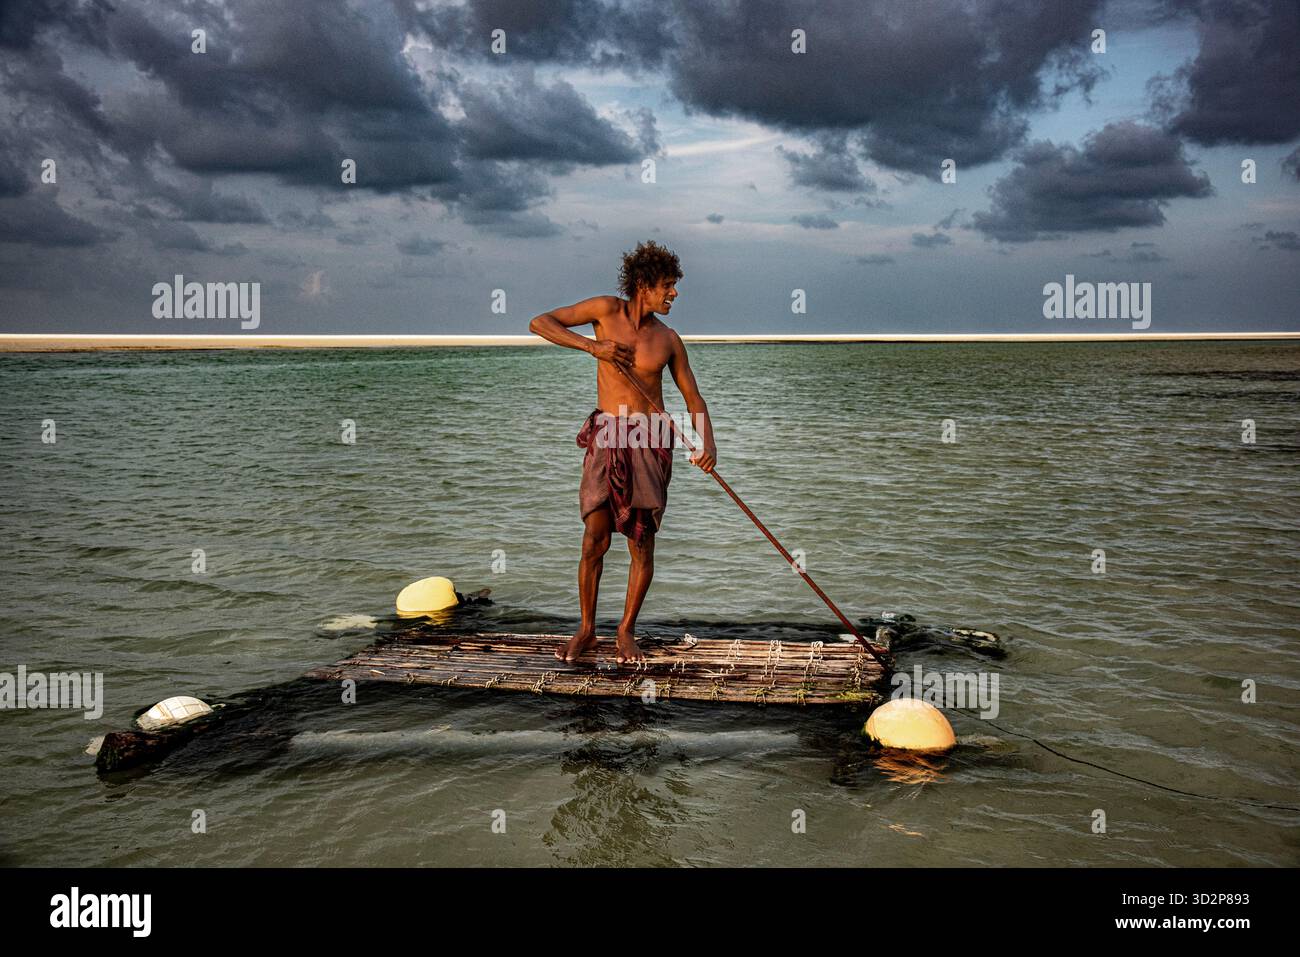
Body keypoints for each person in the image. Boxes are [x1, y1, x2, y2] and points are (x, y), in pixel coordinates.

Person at [528, 240, 717, 665]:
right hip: (607, 433)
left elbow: (693, 398)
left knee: (641, 542)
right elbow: (540, 322)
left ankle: (626, 630)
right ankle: (587, 631)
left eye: (675, 286)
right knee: (595, 536)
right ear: (643, 285)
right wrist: (593, 347)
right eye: (667, 285)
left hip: (650, 439)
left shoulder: (668, 339)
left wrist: (708, 443)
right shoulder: (604, 310)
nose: (674, 294)